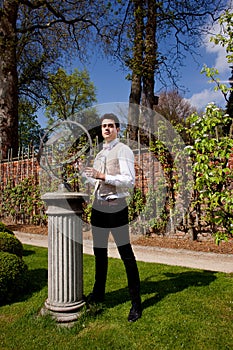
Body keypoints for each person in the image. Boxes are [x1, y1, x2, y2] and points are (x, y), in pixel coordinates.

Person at [83, 113, 142, 322]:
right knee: (99, 253)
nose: (106, 129)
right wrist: (87, 175)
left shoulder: (124, 150)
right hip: (98, 206)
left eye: (110, 126)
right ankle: (98, 294)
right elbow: (96, 182)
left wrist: (103, 176)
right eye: (103, 127)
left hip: (116, 206)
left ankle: (136, 303)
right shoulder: (100, 154)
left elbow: (129, 180)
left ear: (117, 129)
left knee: (126, 253)